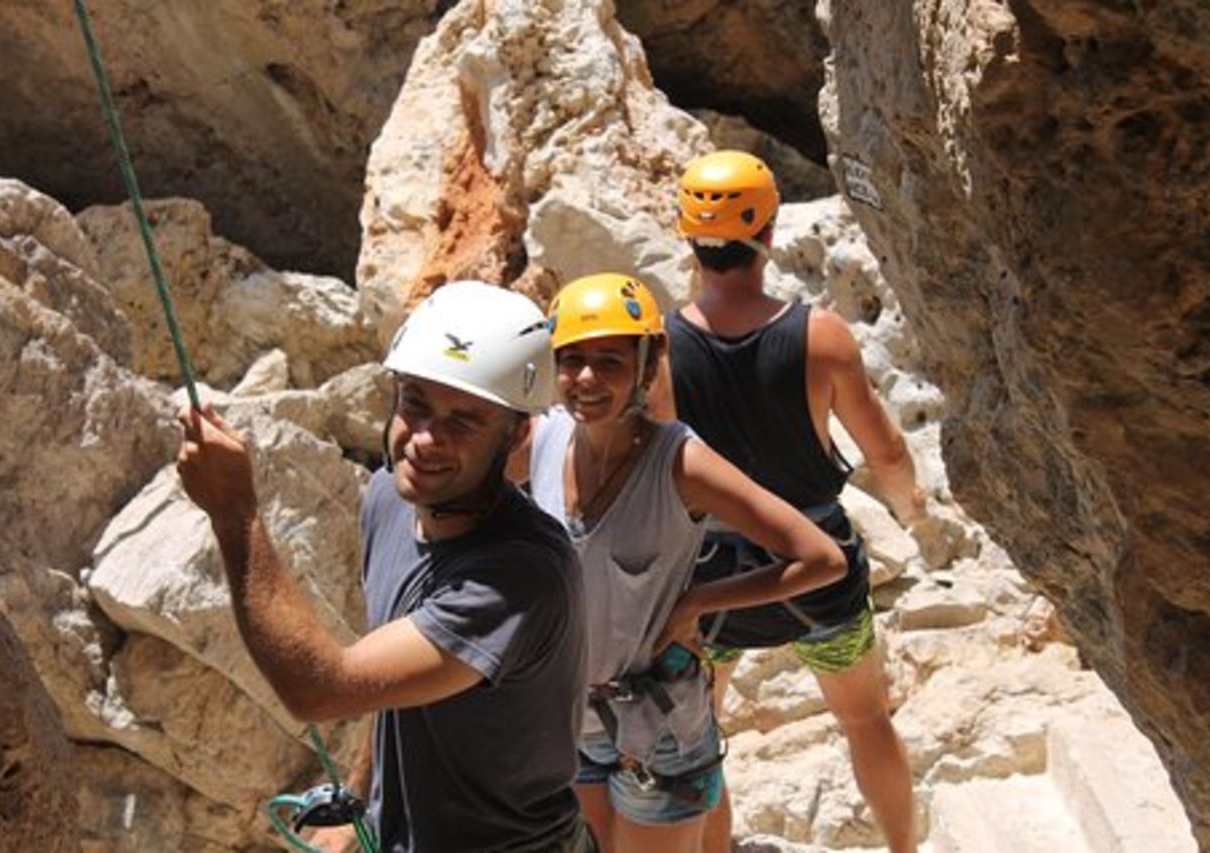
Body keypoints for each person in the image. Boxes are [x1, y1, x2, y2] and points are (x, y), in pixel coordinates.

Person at [178, 280, 593, 853]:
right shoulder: (390, 501)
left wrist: (235, 512)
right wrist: (359, 802)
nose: (424, 439)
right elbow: (391, 682)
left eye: (463, 421)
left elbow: (320, 690)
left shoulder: (520, 578)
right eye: (415, 402)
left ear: (517, 434)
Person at [508, 273, 847, 853]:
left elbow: (821, 558)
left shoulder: (681, 463)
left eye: (609, 361)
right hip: (570, 715)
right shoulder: (542, 441)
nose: (586, 378)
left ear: (645, 366)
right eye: (571, 360)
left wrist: (700, 602)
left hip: (660, 723)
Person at [652, 150, 926, 853]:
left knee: (700, 741)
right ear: (769, 234)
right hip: (819, 565)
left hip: (713, 579)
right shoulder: (821, 336)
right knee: (866, 719)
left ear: (688, 236)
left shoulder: (662, 352)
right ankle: (904, 848)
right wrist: (913, 511)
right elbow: (886, 451)